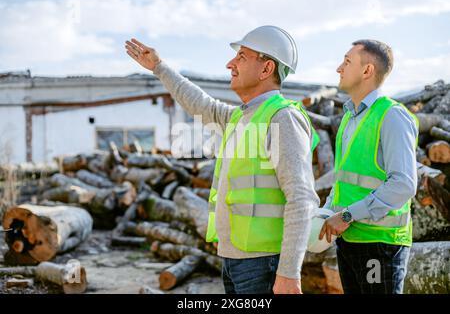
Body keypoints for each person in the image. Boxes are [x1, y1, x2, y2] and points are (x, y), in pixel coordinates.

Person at [125, 25, 320, 294]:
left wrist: (288, 272)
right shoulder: (241, 117)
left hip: (263, 262)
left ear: (266, 69)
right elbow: (200, 104)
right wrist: (159, 67)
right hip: (236, 258)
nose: (230, 64)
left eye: (241, 57)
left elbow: (301, 198)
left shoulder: (282, 117)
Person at [319, 39, 418, 294]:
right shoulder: (350, 117)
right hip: (349, 241)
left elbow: (403, 184)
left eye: (347, 61)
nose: (339, 68)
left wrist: (348, 214)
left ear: (367, 71)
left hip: (381, 246)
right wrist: (326, 212)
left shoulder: (392, 116)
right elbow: (344, 180)